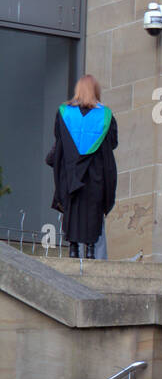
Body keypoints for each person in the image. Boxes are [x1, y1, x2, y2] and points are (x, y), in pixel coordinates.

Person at [49, 74, 117, 260]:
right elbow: (112, 143)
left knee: (73, 210)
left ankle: (72, 249)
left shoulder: (64, 113)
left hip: (70, 174)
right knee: (92, 211)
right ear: (96, 91)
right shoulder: (105, 115)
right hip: (95, 175)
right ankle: (90, 250)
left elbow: (58, 138)